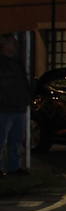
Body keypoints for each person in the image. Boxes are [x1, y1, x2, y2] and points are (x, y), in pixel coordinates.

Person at [0, 34, 31, 176]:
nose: (14, 46)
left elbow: (23, 83)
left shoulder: (17, 62)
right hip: (4, 108)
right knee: (2, 140)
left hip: (18, 107)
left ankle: (14, 167)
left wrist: (25, 100)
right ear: (4, 45)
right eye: (12, 43)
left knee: (16, 140)